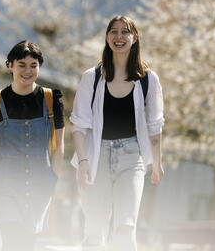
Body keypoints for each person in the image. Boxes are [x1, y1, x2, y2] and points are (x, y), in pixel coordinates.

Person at [70, 15, 164, 250]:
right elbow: (79, 126)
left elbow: (155, 125)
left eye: (125, 32)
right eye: (114, 31)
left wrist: (158, 162)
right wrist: (82, 162)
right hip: (96, 157)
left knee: (126, 226)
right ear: (106, 37)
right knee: (94, 229)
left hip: (132, 158)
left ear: (135, 38)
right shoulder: (91, 77)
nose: (119, 36)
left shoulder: (148, 80)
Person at [0, 40, 65, 251]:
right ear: (10, 65)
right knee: (10, 241)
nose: (28, 71)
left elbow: (58, 145)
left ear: (39, 67)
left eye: (33, 65)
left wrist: (53, 177)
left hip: (39, 184)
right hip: (4, 184)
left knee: (28, 242)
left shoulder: (51, 100)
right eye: (22, 65)